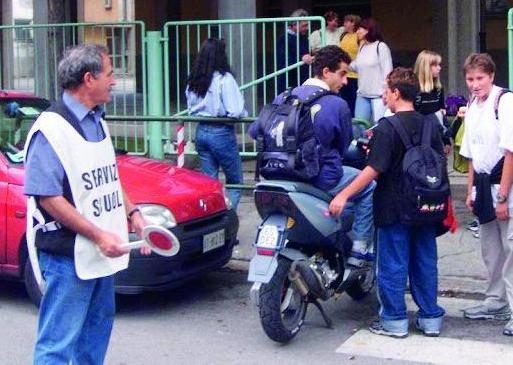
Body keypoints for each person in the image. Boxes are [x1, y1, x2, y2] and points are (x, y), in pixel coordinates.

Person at [24, 44, 150, 364]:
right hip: (68, 256)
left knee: (94, 340)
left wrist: (133, 213)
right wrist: (98, 235)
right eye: (110, 73)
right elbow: (48, 198)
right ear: (88, 78)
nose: (115, 80)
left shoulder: (98, 120)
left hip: (100, 251)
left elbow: (107, 174)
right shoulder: (50, 130)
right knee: (57, 347)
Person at [329, 67, 446, 338]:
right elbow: (440, 161)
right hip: (427, 205)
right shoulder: (431, 123)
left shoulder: (387, 127)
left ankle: (394, 320)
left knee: (393, 264)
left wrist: (344, 194)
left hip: (394, 207)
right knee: (425, 262)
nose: (383, 96)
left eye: (386, 91)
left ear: (395, 92)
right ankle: (430, 318)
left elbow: (374, 170)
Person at [251, 45, 375, 267]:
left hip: (276, 175)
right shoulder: (336, 104)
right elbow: (343, 145)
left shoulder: (283, 97)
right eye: (343, 74)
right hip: (319, 178)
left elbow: (255, 131)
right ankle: (361, 248)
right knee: (368, 186)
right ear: (326, 72)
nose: (345, 81)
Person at [459, 53, 513, 336]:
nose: (475, 84)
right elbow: (470, 154)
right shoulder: (473, 105)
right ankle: (495, 301)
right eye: (470, 79)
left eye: (480, 78)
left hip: (504, 185)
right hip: (482, 185)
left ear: (491, 76)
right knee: (491, 249)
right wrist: (470, 191)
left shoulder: (504, 102)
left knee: (511, 248)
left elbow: (510, 151)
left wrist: (503, 196)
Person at [186, 38, 247, 211]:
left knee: (209, 182)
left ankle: (212, 217)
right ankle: (228, 220)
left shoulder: (195, 79)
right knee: (235, 181)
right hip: (221, 131)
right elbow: (235, 110)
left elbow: (191, 107)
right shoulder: (224, 79)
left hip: (201, 130)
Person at [351, 17, 393, 127]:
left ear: (369, 30)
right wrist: (342, 62)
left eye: (360, 29)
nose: (357, 32)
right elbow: (356, 66)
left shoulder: (381, 47)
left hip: (378, 96)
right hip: (362, 94)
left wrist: (386, 92)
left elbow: (388, 72)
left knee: (378, 126)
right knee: (359, 127)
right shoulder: (362, 47)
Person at [413, 50, 451, 152]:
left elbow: (441, 118)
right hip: (417, 139)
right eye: (435, 65)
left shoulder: (438, 89)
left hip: (436, 138)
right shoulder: (413, 88)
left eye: (439, 64)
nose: (439, 68)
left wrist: (446, 142)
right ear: (425, 67)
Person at [276, 8, 314, 93]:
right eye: (304, 26)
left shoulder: (303, 37)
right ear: (294, 25)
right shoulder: (283, 39)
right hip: (289, 82)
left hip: (302, 80)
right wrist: (301, 58)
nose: (307, 28)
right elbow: (282, 61)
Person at [338, 14, 361, 117]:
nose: (345, 24)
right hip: (344, 74)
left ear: (354, 23)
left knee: (354, 101)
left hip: (355, 75)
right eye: (345, 22)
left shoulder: (358, 36)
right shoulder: (343, 35)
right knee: (345, 100)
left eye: (348, 22)